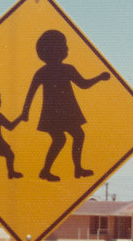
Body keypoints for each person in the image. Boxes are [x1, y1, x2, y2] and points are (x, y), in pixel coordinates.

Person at [19, 29, 110, 182]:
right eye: (63, 45)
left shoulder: (66, 69)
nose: (66, 48)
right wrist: (25, 112)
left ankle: (73, 169)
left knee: (73, 136)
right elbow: (31, 93)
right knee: (64, 139)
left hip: (66, 112)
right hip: (55, 113)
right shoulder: (44, 72)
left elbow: (83, 84)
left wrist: (99, 78)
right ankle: (49, 170)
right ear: (53, 49)